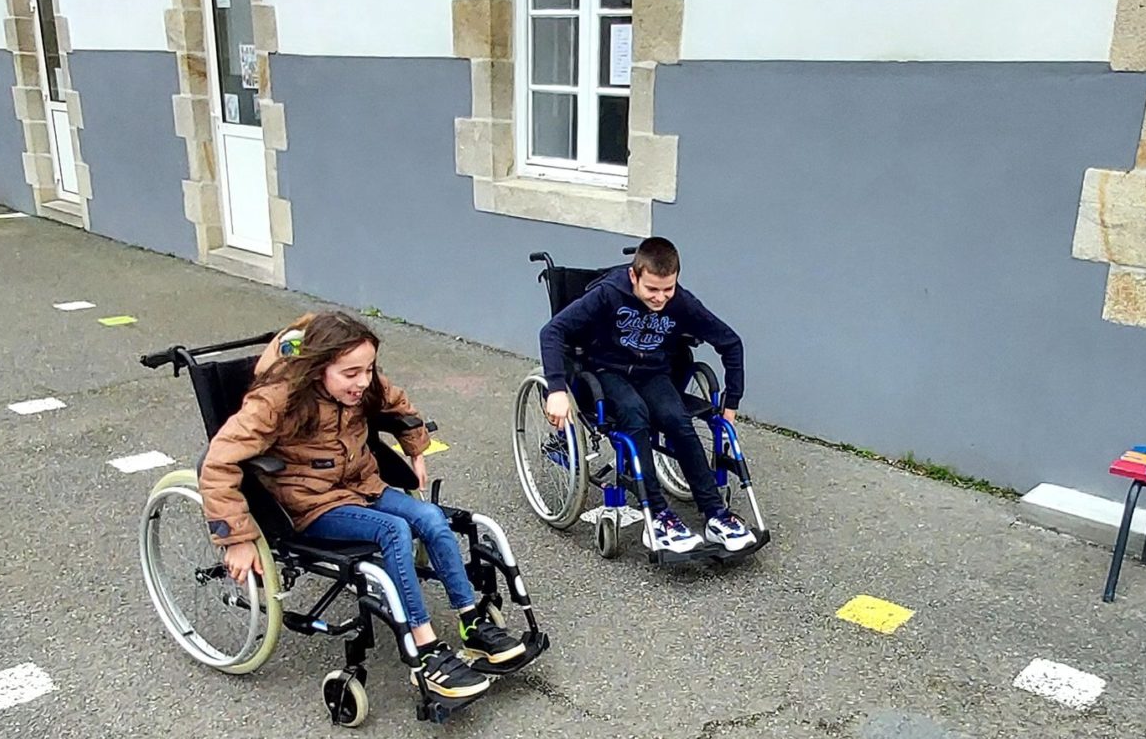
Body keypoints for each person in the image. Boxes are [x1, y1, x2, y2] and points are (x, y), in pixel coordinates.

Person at [199, 310, 526, 701]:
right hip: (311, 504)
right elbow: (217, 462)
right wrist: (236, 539)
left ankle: (470, 620)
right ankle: (424, 647)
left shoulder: (362, 384)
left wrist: (415, 449)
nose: (363, 381)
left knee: (431, 517)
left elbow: (397, 403)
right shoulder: (276, 399)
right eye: (351, 373)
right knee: (394, 530)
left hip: (362, 484)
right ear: (318, 368)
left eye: (368, 369)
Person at [539, 236, 756, 556]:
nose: (660, 297)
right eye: (652, 289)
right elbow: (552, 332)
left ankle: (715, 513)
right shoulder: (608, 294)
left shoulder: (680, 301)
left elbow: (731, 342)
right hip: (606, 371)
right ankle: (657, 514)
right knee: (634, 413)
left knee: (677, 420)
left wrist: (732, 402)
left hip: (653, 373)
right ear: (634, 275)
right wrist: (556, 389)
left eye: (668, 289)